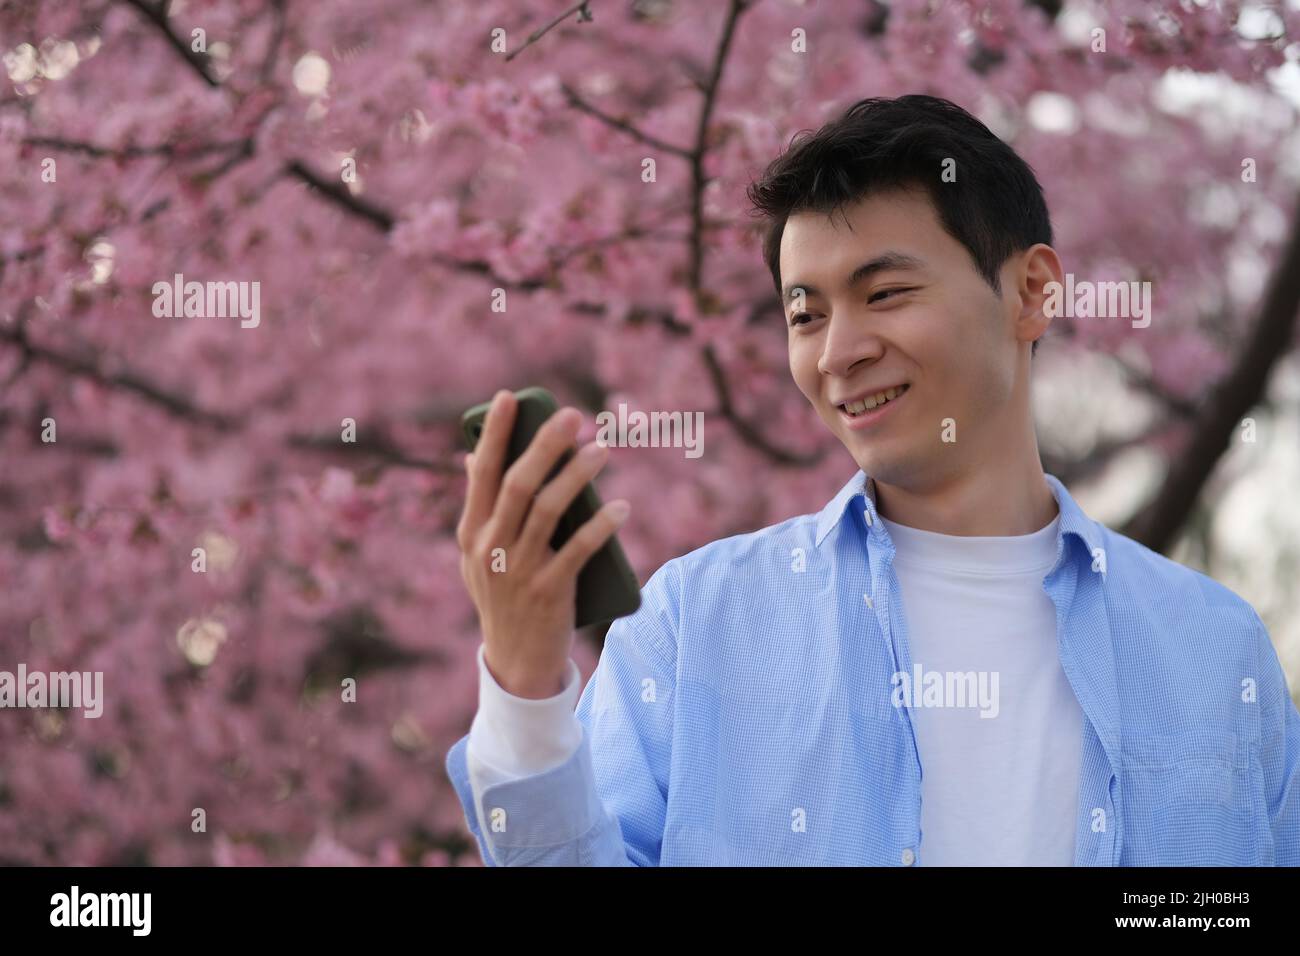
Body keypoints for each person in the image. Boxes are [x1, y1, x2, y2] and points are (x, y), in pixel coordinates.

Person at [444, 95, 1300, 866]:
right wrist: (523, 692)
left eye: (885, 292)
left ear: (1031, 292)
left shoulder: (1213, 648)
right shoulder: (693, 627)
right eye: (805, 314)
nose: (837, 352)